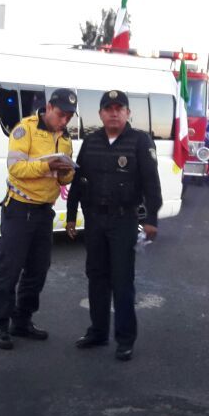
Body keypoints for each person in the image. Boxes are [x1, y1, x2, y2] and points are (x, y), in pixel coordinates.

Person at [65, 90, 162, 361]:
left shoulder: (140, 141)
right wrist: (71, 215)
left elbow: (151, 183)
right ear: (101, 114)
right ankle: (97, 331)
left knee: (122, 280)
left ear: (128, 113)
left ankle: (125, 339)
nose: (114, 113)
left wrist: (151, 219)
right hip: (95, 220)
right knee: (96, 276)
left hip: (124, 220)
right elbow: (78, 180)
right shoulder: (92, 141)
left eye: (120, 108)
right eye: (109, 108)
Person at [0, 88, 77, 350]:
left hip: (43, 212)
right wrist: (47, 166)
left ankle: (22, 320)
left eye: (69, 117)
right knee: (10, 269)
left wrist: (66, 173)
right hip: (19, 209)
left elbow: (64, 179)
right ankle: (1, 324)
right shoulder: (24, 129)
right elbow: (15, 167)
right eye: (61, 114)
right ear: (49, 107)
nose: (64, 121)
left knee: (38, 270)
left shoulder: (66, 139)